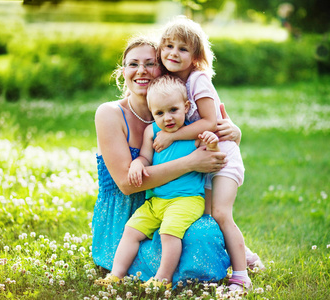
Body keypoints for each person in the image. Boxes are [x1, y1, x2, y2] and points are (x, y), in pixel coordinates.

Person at [92, 35, 235, 286]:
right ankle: (145, 275)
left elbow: (216, 143)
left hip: (177, 204)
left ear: (162, 67)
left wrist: (236, 133)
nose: (142, 71)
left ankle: (237, 255)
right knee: (158, 247)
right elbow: (127, 184)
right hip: (128, 214)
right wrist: (191, 163)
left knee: (204, 236)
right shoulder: (110, 113)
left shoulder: (179, 113)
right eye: (133, 64)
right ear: (123, 70)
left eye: (150, 63)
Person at [154, 15, 259, 293]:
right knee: (208, 215)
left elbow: (210, 122)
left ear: (196, 56)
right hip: (204, 160)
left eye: (183, 48)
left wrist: (172, 135)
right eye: (168, 46)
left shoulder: (198, 79)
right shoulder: (169, 81)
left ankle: (240, 275)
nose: (174, 53)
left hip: (221, 157)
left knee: (222, 213)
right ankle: (246, 255)